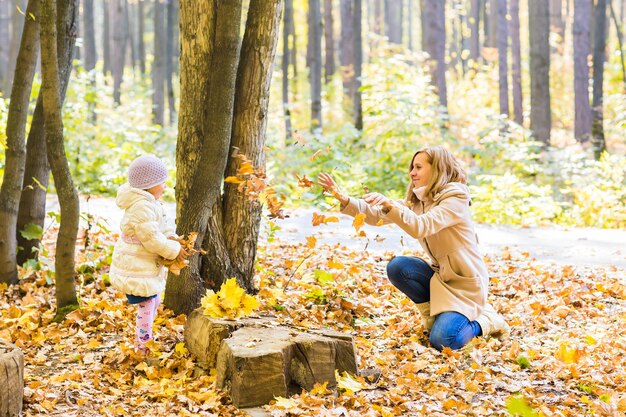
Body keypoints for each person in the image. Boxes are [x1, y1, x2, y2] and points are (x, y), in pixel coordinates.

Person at [318, 145, 509, 351]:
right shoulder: (419, 200)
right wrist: (344, 199)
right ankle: (434, 316)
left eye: (418, 167)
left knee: (444, 341)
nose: (412, 172)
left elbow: (421, 226)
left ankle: (487, 320)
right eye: (412, 167)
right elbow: (374, 216)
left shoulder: (456, 198)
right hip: (441, 279)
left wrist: (391, 205)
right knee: (399, 266)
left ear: (436, 169)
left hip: (465, 285)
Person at [109, 154, 182, 354]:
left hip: (143, 265)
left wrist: (172, 237)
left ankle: (144, 340)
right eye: (161, 183)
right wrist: (173, 250)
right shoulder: (141, 207)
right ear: (148, 185)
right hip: (135, 267)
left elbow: (162, 225)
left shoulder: (151, 202)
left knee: (154, 301)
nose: (165, 186)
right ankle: (143, 347)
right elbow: (151, 239)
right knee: (147, 304)